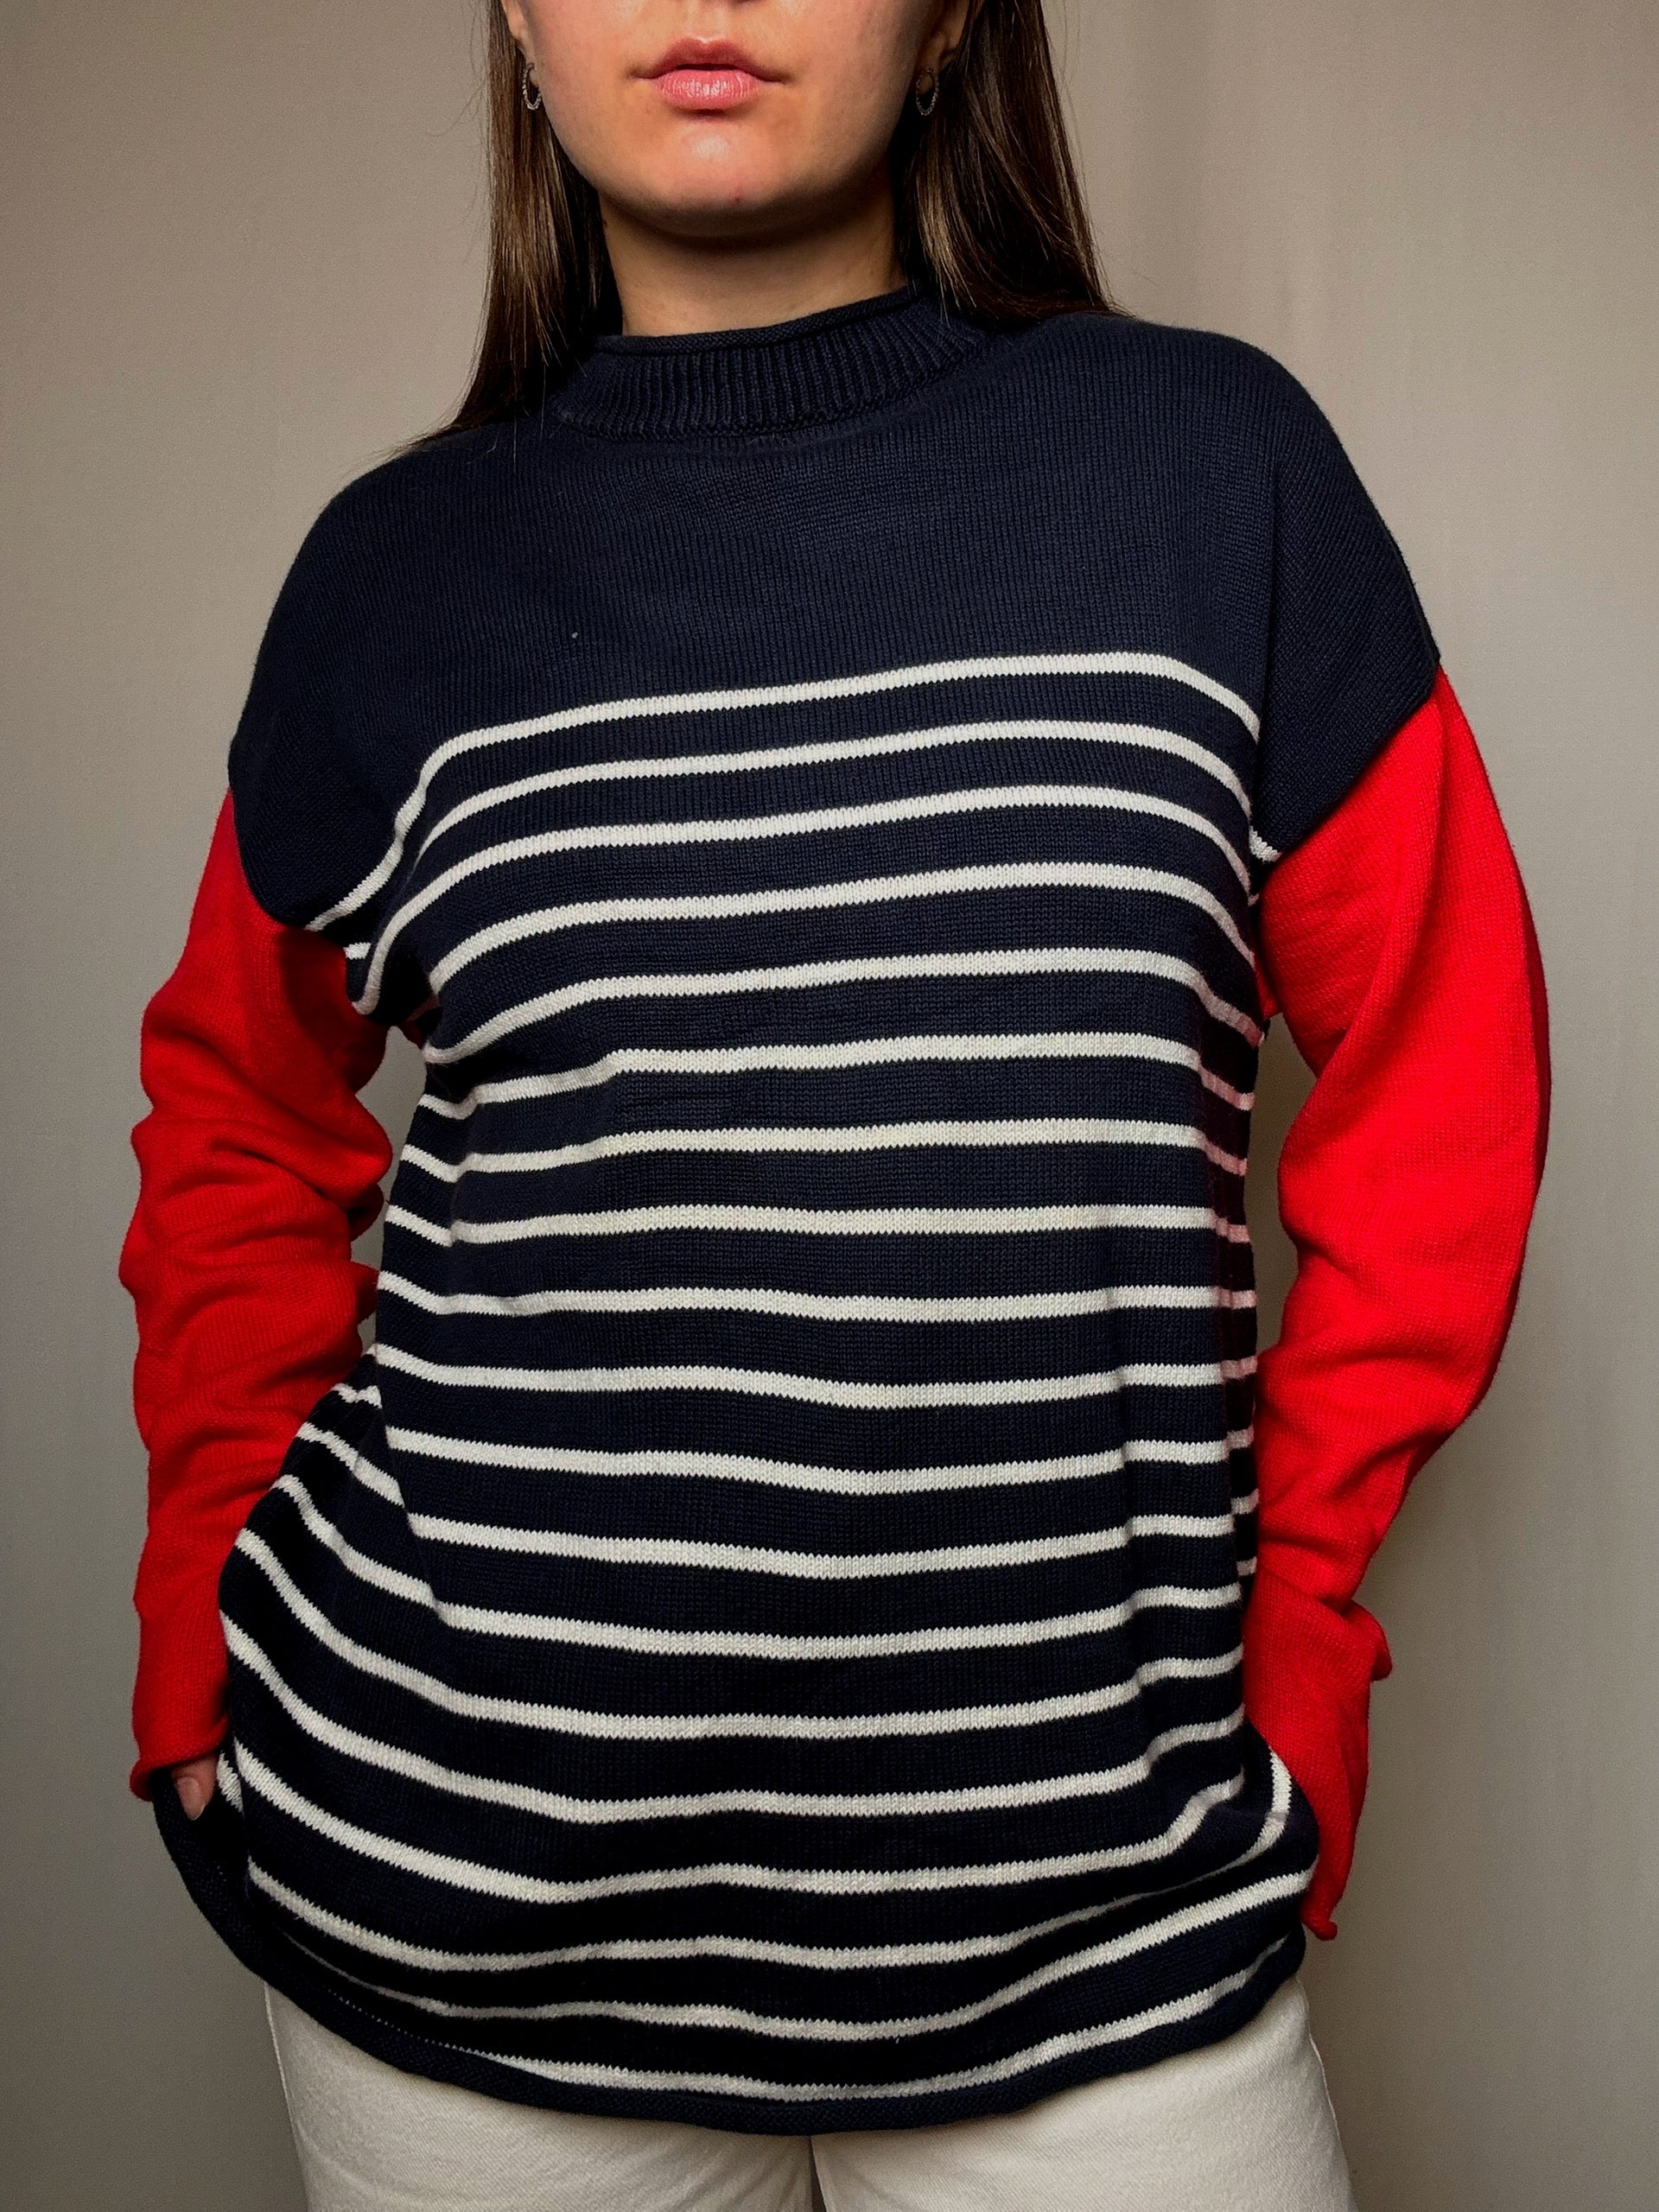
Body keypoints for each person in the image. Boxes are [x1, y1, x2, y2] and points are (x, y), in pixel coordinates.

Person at [119, 3, 1550, 2205]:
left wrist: (1300, 1628)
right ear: (517, 22)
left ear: (954, 11)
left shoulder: (1213, 469)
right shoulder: (390, 576)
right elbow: (233, 1098)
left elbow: (1446, 1078)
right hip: (462, 1907)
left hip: (1106, 1908)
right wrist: (205, 1573)